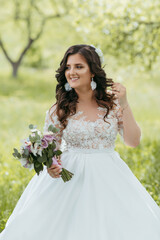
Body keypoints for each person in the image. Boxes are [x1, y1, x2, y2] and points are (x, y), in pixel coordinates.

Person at [0, 44, 160, 240]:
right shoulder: (59, 109)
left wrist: (125, 103)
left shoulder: (113, 103)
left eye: (79, 66)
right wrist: (51, 164)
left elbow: (133, 141)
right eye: (68, 67)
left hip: (109, 174)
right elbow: (52, 148)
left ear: (93, 71)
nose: (71, 72)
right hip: (70, 177)